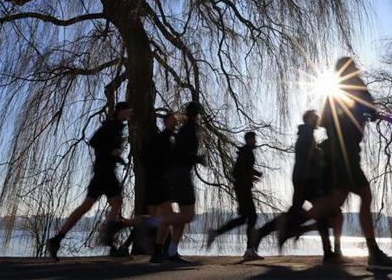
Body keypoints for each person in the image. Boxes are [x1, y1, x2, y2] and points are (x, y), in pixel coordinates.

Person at [281, 57, 392, 272]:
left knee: (335, 201)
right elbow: (372, 112)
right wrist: (386, 117)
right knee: (362, 196)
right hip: (346, 155)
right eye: (353, 67)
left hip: (337, 154)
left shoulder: (332, 95)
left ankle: (292, 225)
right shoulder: (357, 88)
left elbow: (325, 122)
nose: (356, 70)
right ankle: (373, 253)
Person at [252, 110, 343, 263]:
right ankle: (325, 250)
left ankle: (264, 233)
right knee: (317, 212)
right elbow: (306, 154)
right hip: (306, 180)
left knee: (305, 212)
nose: (318, 118)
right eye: (315, 117)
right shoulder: (306, 135)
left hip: (306, 179)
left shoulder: (307, 134)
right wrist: (321, 155)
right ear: (308, 119)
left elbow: (308, 153)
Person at [46, 102, 133, 261]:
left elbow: (105, 147)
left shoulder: (118, 126)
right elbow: (94, 142)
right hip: (104, 172)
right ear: (121, 111)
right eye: (128, 110)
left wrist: (118, 158)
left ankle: (56, 239)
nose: (130, 113)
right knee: (115, 202)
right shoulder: (110, 125)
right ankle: (108, 239)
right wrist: (111, 152)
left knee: (90, 206)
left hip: (104, 171)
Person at [123, 101, 205, 264]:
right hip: (180, 176)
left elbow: (175, 154)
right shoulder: (188, 129)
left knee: (180, 217)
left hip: (175, 176)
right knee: (187, 215)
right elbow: (181, 154)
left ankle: (165, 252)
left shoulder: (179, 132)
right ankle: (150, 223)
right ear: (198, 114)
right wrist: (198, 158)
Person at [206, 132, 265, 261]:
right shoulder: (247, 152)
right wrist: (253, 174)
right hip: (243, 188)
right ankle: (249, 250)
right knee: (252, 217)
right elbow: (237, 171)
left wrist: (252, 174)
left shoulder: (246, 152)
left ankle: (216, 233)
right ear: (249, 139)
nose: (255, 141)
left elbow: (240, 170)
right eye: (253, 139)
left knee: (244, 218)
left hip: (242, 187)